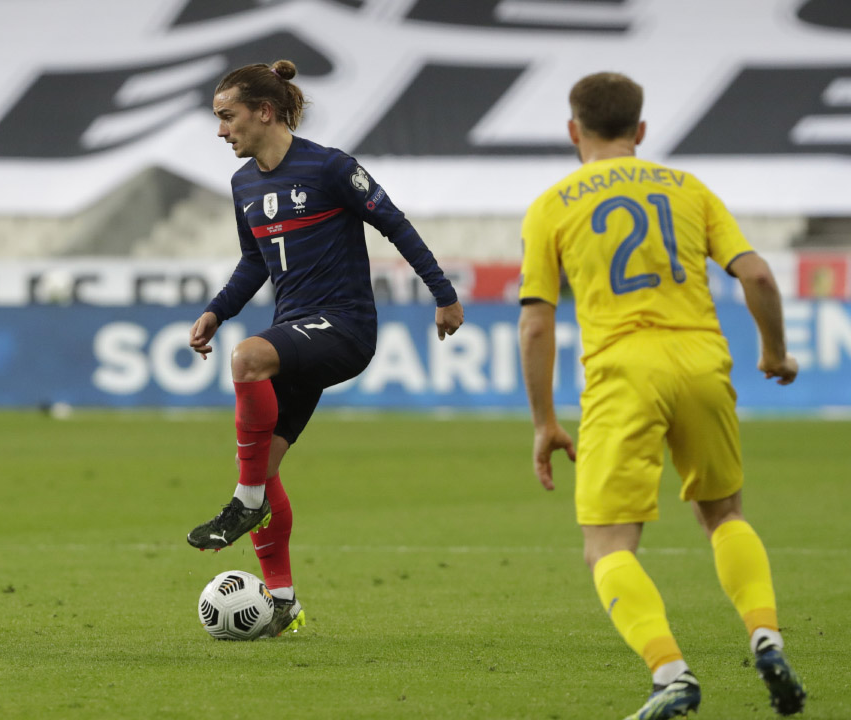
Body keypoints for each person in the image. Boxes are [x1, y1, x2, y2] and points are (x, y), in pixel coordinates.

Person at [518, 72, 806, 718]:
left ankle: (670, 673)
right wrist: (774, 352)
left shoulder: (552, 205)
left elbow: (536, 322)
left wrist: (544, 421)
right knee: (724, 515)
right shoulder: (687, 188)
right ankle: (765, 635)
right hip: (702, 360)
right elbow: (756, 274)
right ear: (641, 131)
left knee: (608, 546)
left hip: (624, 371)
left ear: (574, 131)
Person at [185, 60, 465, 637]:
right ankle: (282, 603)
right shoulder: (244, 185)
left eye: (226, 117)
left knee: (247, 360)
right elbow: (253, 263)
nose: (220, 132)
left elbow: (395, 224)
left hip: (344, 327)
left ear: (264, 111)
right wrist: (217, 311)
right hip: (295, 329)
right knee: (266, 466)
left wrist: (443, 294)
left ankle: (243, 501)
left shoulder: (330, 167)